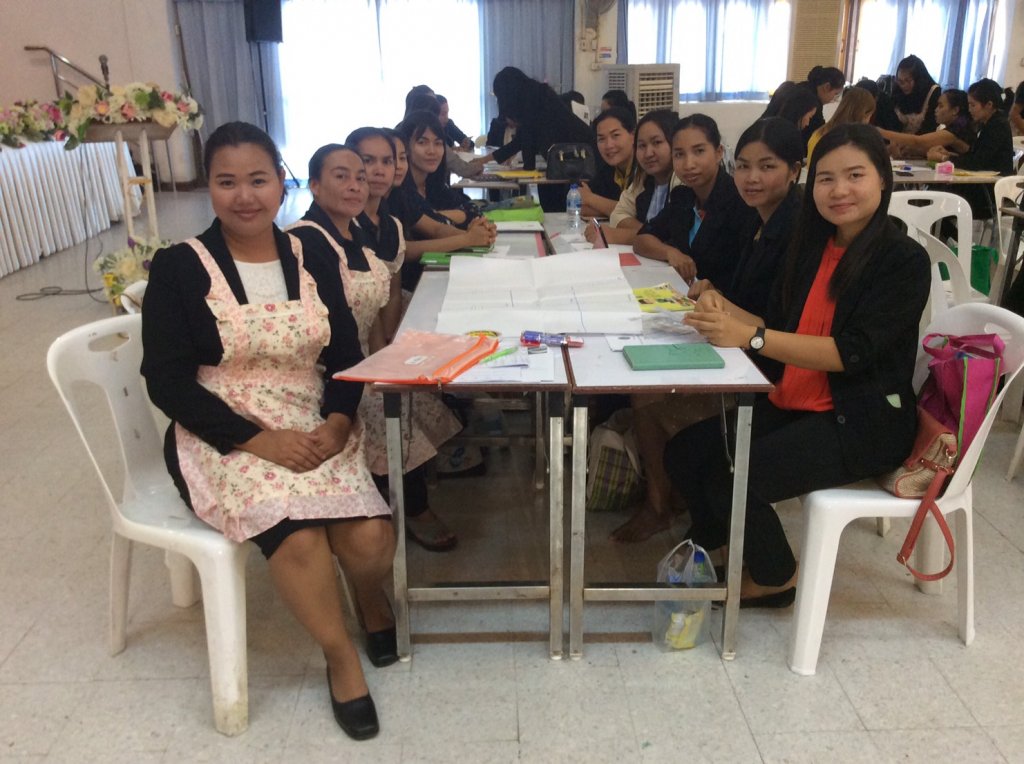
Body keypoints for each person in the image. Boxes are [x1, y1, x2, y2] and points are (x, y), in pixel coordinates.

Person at [140, 122, 394, 740]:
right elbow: (166, 381)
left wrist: (338, 419)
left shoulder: (310, 257)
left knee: (370, 541)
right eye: (227, 182)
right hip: (221, 429)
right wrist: (257, 439)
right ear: (209, 187)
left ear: (281, 182)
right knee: (299, 540)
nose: (245, 196)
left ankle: (369, 595)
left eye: (258, 180)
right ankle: (341, 657)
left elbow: (346, 354)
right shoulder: (179, 266)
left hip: (311, 415)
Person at [663, 123, 929, 606]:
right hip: (799, 397)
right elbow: (779, 325)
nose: (839, 190)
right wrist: (721, 307)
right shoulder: (813, 246)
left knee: (731, 478)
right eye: (827, 179)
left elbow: (850, 353)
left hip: (862, 419)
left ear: (883, 179)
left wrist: (752, 337)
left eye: (855, 175)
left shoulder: (902, 260)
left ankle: (776, 576)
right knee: (685, 452)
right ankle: (723, 543)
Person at [612, 117, 803, 543]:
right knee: (641, 384)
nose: (752, 178)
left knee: (648, 394)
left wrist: (720, 299)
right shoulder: (729, 209)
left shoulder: (758, 214)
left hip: (762, 362)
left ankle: (672, 502)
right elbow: (644, 237)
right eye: (746, 167)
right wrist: (690, 269)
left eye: (699, 151)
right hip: (731, 330)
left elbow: (776, 318)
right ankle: (668, 499)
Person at [288, 141, 463, 553]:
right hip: (326, 368)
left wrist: (386, 351)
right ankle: (410, 506)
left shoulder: (357, 232)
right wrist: (373, 367)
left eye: (360, 178)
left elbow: (383, 297)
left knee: (429, 387)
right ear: (314, 185)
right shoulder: (305, 241)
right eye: (342, 176)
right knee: (392, 409)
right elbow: (327, 330)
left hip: (361, 354)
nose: (355, 186)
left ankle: (394, 488)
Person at [634, 113, 757, 288]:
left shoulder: (739, 201)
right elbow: (642, 239)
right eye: (679, 154)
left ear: (718, 153)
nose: (689, 164)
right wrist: (670, 252)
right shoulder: (683, 197)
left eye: (699, 151)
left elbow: (743, 278)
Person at [385, 128, 496, 293]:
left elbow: (435, 227)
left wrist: (478, 235)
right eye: (388, 160)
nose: (398, 166)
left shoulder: (399, 194)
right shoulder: (372, 204)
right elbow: (402, 251)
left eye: (402, 158)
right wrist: (467, 238)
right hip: (406, 286)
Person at [473, 66, 593, 211]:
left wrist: (525, 169)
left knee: (561, 207)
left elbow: (526, 149)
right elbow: (520, 142)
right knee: (552, 205)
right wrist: (484, 160)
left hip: (579, 159)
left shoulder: (534, 104)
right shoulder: (537, 96)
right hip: (569, 158)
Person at [584, 109, 678, 248]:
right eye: (642, 145)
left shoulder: (682, 180)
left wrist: (618, 235)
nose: (648, 153)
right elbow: (618, 214)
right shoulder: (644, 176)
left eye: (657, 142)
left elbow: (673, 236)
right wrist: (647, 233)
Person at [928, 78, 1015, 218]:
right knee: (936, 192)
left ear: (989, 105)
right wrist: (950, 154)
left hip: (991, 190)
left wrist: (944, 158)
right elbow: (976, 155)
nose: (969, 110)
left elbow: (977, 162)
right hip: (982, 184)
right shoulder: (988, 124)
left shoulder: (997, 126)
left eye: (973, 105)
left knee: (939, 198)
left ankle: (944, 230)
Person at [879, 88, 972, 159]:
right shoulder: (953, 127)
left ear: (955, 110)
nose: (936, 110)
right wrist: (909, 150)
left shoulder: (959, 127)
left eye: (941, 106)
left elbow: (919, 141)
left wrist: (882, 132)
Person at [580, 106, 637, 217]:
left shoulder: (644, 169)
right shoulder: (607, 170)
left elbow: (636, 212)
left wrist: (590, 198)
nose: (609, 145)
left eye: (615, 135)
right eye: (601, 139)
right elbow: (583, 208)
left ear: (633, 136)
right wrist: (610, 208)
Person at [806, 86, 875, 161]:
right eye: (869, 116)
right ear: (864, 115)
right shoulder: (852, 143)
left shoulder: (819, 133)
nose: (868, 121)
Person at [893, 55, 941, 135]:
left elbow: (930, 127)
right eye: (900, 81)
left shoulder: (932, 92)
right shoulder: (897, 89)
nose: (903, 85)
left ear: (918, 79)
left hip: (922, 139)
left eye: (908, 81)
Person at [799, 66, 846, 141]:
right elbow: (818, 133)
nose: (834, 98)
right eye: (835, 94)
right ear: (827, 87)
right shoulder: (812, 102)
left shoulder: (802, 86)